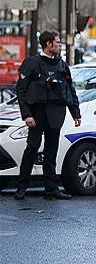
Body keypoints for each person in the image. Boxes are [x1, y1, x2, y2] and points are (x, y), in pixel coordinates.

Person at [14, 31, 81, 200]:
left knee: (51, 152)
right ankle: (21, 187)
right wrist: (26, 115)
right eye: (57, 42)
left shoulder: (61, 65)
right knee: (32, 148)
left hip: (56, 114)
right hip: (37, 114)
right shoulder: (32, 63)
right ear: (48, 44)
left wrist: (75, 113)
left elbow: (69, 89)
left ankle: (51, 188)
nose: (59, 45)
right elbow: (21, 91)